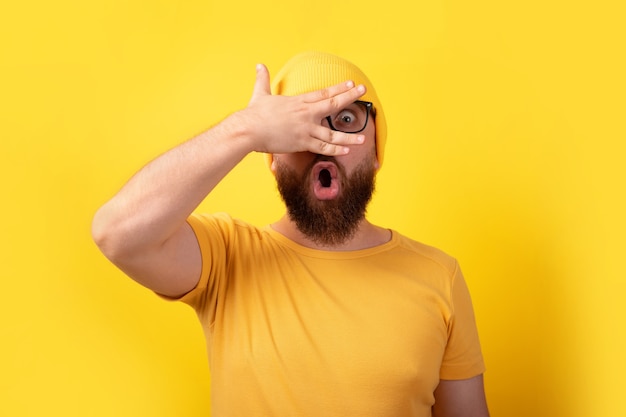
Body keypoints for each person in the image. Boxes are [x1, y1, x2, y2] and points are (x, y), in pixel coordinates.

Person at [92, 51, 490, 417]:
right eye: (299, 124)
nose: (323, 142)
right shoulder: (226, 257)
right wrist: (245, 129)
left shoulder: (439, 276)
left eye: (347, 120)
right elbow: (117, 233)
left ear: (375, 152)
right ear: (272, 157)